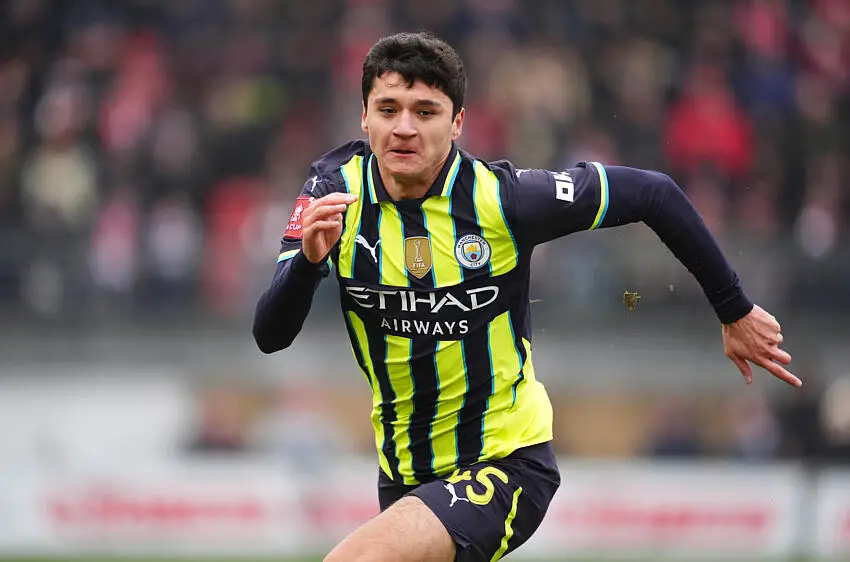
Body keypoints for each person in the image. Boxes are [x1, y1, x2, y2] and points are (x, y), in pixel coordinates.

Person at [252, 32, 801, 562]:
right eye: (388, 109)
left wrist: (734, 309)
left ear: (457, 123)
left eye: (426, 111)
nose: (404, 128)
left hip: (505, 465)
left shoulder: (503, 201)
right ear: (364, 117)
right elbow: (270, 334)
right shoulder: (332, 192)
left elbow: (654, 193)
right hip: (404, 477)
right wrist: (308, 263)